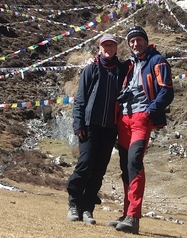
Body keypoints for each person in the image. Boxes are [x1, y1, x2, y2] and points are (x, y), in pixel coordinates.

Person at [110, 25, 174, 234]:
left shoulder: (158, 61)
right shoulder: (130, 65)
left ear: (146, 41)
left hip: (141, 119)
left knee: (135, 162)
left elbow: (167, 91)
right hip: (124, 120)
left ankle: (134, 217)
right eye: (132, 41)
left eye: (139, 40)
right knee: (125, 166)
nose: (135, 44)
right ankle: (126, 212)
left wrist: (149, 111)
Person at [66, 33, 127, 225]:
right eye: (105, 46)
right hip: (90, 126)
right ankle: (74, 203)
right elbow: (80, 100)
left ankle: (87, 208)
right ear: (99, 49)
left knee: (99, 169)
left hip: (110, 128)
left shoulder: (122, 70)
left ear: (116, 48)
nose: (108, 49)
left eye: (112, 46)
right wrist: (78, 124)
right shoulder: (91, 70)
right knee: (85, 165)